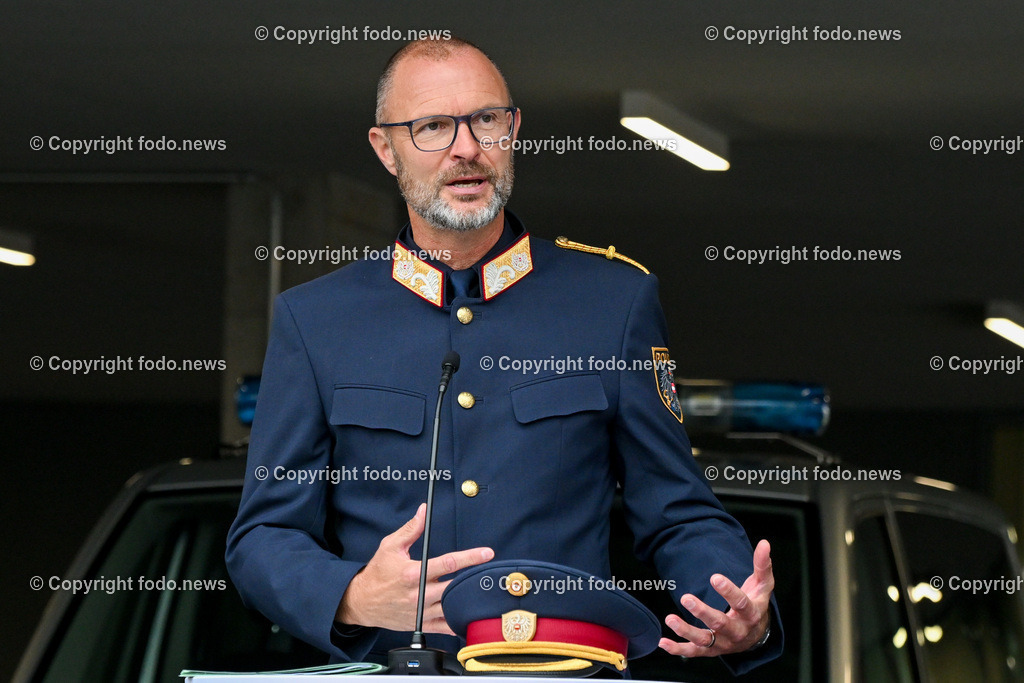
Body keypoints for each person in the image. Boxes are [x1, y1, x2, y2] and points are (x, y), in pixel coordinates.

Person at [226, 37, 782, 676]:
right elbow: (263, 537)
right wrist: (352, 596)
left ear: (513, 129)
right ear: (386, 149)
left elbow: (676, 510)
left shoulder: (612, 303)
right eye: (432, 126)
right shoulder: (317, 320)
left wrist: (735, 603)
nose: (466, 149)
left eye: (486, 120)